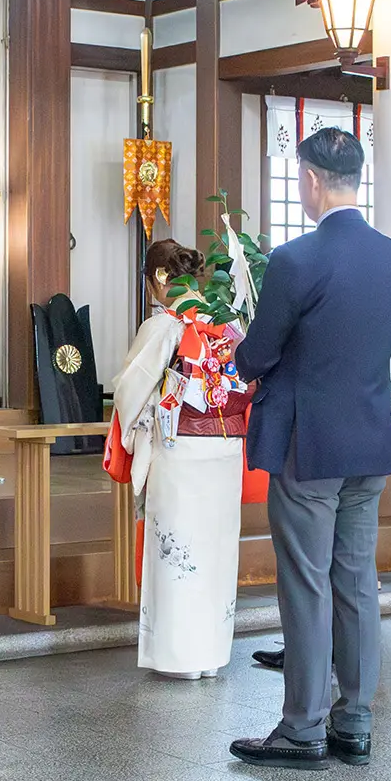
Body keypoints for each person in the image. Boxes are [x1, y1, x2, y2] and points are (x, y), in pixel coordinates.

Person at [227, 127, 391, 770]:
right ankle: (354, 721)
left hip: (309, 446)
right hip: (369, 441)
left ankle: (302, 726)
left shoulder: (296, 260)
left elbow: (263, 351)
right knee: (357, 581)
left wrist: (236, 350)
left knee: (305, 584)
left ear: (308, 179)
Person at [107, 239, 250, 680]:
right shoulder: (225, 324)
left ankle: (180, 659)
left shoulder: (165, 326)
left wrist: (130, 434)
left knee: (178, 550)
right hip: (224, 449)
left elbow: (130, 390)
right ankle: (209, 657)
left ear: (161, 279)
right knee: (215, 548)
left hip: (180, 449)